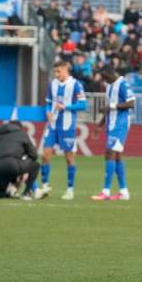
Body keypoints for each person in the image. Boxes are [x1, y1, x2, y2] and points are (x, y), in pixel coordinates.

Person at [40, 61, 87, 200]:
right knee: (45, 155)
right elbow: (48, 102)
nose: (56, 74)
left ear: (66, 69)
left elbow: (83, 105)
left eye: (59, 71)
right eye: (55, 72)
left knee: (69, 158)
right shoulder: (53, 84)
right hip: (53, 125)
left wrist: (66, 107)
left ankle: (70, 189)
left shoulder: (76, 85)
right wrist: (48, 112)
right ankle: (45, 186)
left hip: (67, 126)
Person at [91, 66, 135, 201]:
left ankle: (105, 191)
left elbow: (131, 103)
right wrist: (99, 125)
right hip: (111, 124)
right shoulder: (110, 86)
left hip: (120, 125)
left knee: (109, 153)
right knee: (116, 156)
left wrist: (112, 106)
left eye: (105, 78)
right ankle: (123, 191)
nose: (104, 81)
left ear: (111, 74)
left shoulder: (123, 84)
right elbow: (109, 108)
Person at [0, 121, 41, 200]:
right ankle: (26, 193)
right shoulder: (22, 134)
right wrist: (23, 161)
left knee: (1, 194)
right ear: (19, 128)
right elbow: (34, 155)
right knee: (35, 165)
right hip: (12, 164)